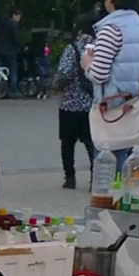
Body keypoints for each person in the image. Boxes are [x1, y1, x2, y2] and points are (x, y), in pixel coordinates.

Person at [84, 0, 139, 179]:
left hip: (115, 117)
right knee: (134, 179)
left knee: (109, 179)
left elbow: (98, 74)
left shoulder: (111, 30)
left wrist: (87, 63)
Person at [57, 13, 98, 191]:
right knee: (92, 144)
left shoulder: (72, 48)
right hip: (91, 104)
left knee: (67, 143)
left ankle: (70, 178)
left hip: (70, 104)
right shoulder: (100, 49)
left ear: (79, 29)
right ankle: (95, 178)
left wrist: (59, 84)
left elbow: (64, 73)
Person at [0, 8, 23, 93]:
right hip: (10, 51)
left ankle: (2, 89)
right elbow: (15, 38)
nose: (19, 19)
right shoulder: (13, 25)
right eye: (18, 17)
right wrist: (22, 47)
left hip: (0, 50)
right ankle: (13, 89)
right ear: (14, 15)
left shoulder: (1, 24)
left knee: (3, 69)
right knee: (13, 70)